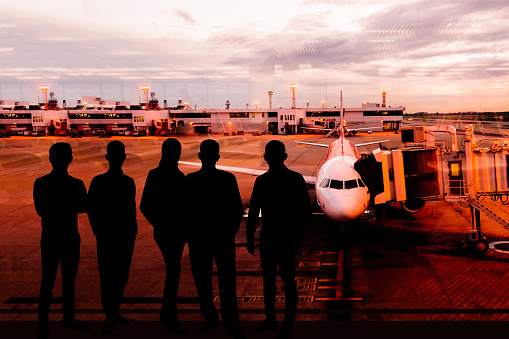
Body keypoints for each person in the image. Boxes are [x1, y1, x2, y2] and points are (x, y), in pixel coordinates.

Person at [246, 140, 311, 339]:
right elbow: (305, 212)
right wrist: (298, 239)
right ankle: (286, 326)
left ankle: (270, 320)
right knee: (289, 282)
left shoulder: (262, 181)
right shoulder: (296, 179)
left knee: (269, 283)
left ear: (265, 157)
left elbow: (253, 212)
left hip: (269, 238)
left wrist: (250, 237)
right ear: (285, 157)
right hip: (287, 238)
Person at [185, 139, 245, 339]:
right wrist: (230, 232)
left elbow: (184, 211)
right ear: (218, 157)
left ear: (200, 156)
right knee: (227, 283)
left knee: (202, 283)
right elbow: (237, 209)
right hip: (222, 238)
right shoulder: (228, 179)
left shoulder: (190, 180)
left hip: (199, 239)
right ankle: (231, 322)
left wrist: (189, 235)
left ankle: (210, 319)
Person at [33, 142, 90, 339]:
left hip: (49, 235)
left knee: (47, 280)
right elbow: (85, 206)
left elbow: (41, 210)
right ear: (70, 159)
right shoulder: (76, 184)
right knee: (69, 280)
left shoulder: (40, 183)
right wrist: (69, 206)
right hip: (70, 235)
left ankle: (43, 324)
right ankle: (68, 318)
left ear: (50, 159)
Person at [88, 140, 138, 335]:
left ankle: (111, 313)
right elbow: (129, 210)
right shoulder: (128, 182)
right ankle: (111, 314)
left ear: (107, 157)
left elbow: (92, 210)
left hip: (107, 234)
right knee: (119, 275)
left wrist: (98, 231)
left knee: (107, 275)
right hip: (123, 234)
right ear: (124, 158)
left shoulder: (98, 181)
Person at [140, 138, 187, 335]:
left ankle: (165, 313)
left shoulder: (154, 174)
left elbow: (145, 206)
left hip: (162, 230)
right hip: (173, 231)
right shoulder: (179, 177)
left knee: (173, 270)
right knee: (173, 272)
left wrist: (157, 223)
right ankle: (170, 317)